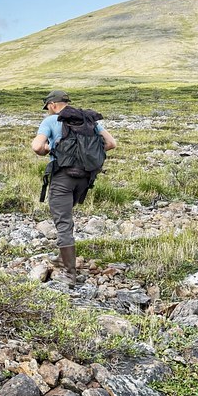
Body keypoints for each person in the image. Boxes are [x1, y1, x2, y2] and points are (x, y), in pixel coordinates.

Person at [31, 89, 117, 285]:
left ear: (53, 104)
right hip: (85, 178)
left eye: (47, 108)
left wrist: (49, 149)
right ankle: (63, 258)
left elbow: (37, 147)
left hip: (63, 177)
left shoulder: (51, 121)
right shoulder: (88, 119)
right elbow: (111, 143)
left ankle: (69, 274)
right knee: (66, 218)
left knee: (63, 222)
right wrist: (84, 154)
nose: (47, 111)